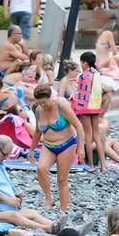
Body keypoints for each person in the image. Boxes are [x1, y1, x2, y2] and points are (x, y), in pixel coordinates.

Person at [0, 136, 73, 235]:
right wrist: (7, 200)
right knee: (15, 216)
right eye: (5, 154)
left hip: (2, 207)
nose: (6, 158)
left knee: (31, 213)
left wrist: (14, 196)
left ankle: (65, 230)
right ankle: (49, 229)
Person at [31, 84, 85, 212]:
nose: (43, 105)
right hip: (49, 145)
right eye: (40, 103)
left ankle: (63, 209)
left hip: (66, 144)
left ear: (50, 97)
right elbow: (38, 131)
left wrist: (81, 147)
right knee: (41, 169)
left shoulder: (61, 105)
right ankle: (48, 198)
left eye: (45, 102)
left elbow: (78, 126)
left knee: (62, 179)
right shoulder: (38, 109)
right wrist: (31, 149)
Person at [73, 52, 106, 171]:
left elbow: (80, 93)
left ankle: (91, 164)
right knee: (97, 135)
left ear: (84, 63)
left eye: (81, 62)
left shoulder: (82, 76)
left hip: (85, 107)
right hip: (96, 106)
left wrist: (76, 108)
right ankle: (103, 164)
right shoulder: (97, 74)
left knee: (88, 135)